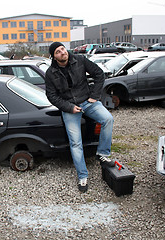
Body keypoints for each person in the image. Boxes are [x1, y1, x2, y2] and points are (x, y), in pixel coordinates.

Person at [45, 42, 115, 193]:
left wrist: (95, 96)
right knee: (75, 142)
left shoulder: (80, 60)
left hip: (88, 102)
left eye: (62, 49)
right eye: (58, 52)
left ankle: (102, 154)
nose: (62, 52)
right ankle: (82, 176)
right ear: (54, 56)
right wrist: (69, 107)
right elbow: (51, 95)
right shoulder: (51, 73)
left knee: (108, 119)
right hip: (70, 108)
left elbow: (99, 74)